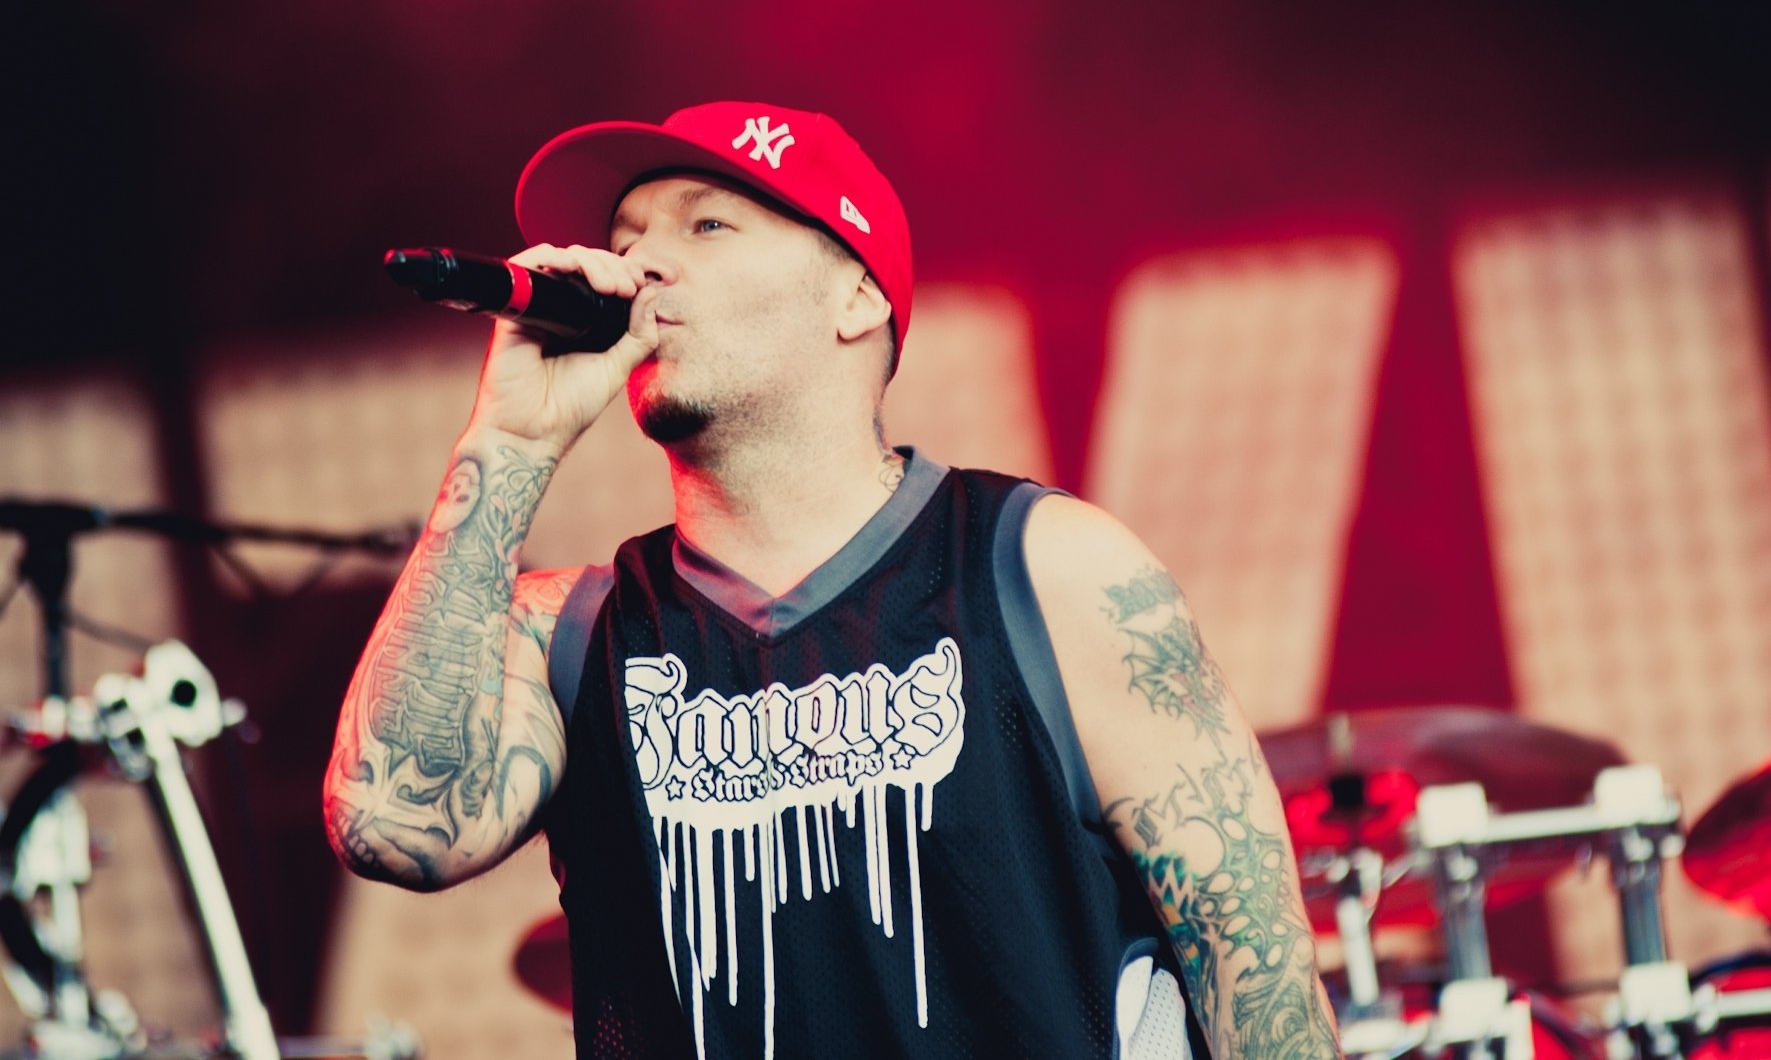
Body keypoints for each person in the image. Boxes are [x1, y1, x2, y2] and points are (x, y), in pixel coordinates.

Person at [323, 100, 1341, 1060]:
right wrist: (510, 441)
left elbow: (1254, 971)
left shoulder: (1050, 571)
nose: (638, 265)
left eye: (706, 225)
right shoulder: (571, 634)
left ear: (856, 296)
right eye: (626, 240)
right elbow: (390, 827)